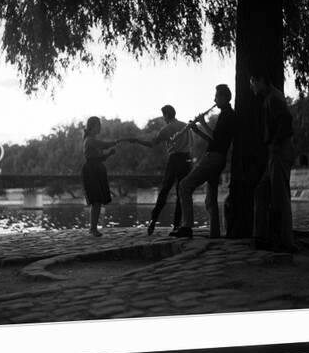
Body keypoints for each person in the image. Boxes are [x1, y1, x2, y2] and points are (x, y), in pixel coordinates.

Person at [175, 84, 236, 239]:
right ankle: (214, 233)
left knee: (184, 186)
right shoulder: (226, 114)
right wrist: (197, 131)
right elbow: (215, 140)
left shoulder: (228, 115)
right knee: (211, 199)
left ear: (223, 97)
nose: (214, 100)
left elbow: (216, 138)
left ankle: (187, 226)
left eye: (216, 96)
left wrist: (202, 122)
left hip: (213, 159)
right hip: (218, 158)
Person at [249, 68, 296, 252]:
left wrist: (276, 144)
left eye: (252, 81)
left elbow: (286, 121)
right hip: (275, 150)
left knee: (280, 196)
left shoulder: (274, 98)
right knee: (262, 191)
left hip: (279, 150)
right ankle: (262, 236)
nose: (251, 86)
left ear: (260, 80)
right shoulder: (271, 97)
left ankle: (286, 242)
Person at [128, 105, 192, 235]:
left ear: (166, 115)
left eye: (164, 116)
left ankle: (153, 220)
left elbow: (152, 143)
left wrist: (137, 141)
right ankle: (177, 225)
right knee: (182, 192)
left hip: (175, 160)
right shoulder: (187, 126)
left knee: (165, 190)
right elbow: (192, 144)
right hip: (187, 160)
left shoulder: (166, 129)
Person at [81, 116, 119, 237]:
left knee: (97, 201)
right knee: (96, 200)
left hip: (96, 170)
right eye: (99, 125)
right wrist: (113, 143)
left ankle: (93, 228)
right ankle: (92, 229)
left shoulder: (93, 140)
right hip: (91, 171)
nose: (100, 128)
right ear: (92, 126)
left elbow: (100, 158)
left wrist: (109, 154)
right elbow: (104, 144)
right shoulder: (90, 140)